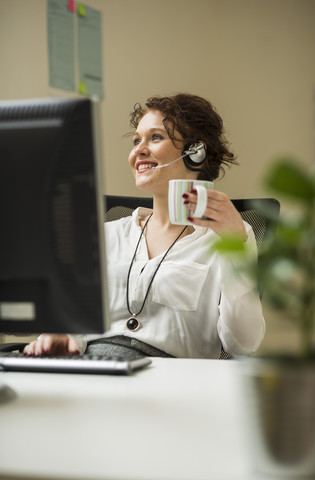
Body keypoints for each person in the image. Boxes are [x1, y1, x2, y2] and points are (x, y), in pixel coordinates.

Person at [24, 93, 265, 359]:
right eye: (137, 140)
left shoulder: (231, 237)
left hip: (171, 383)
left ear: (195, 153)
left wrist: (236, 248)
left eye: (156, 137)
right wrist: (60, 335)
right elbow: (72, 321)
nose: (139, 149)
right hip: (94, 370)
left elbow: (243, 345)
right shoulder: (106, 235)